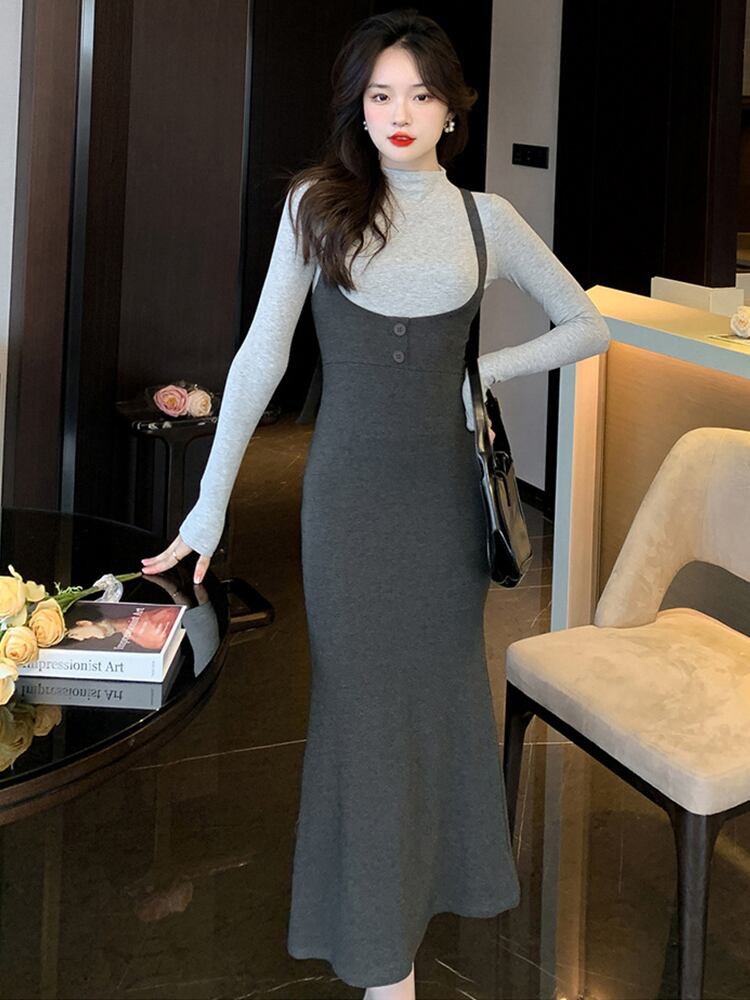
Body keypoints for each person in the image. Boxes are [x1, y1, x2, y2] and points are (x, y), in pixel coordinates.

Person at [141, 8, 610, 997]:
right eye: (381, 94)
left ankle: (410, 912)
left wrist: (484, 372)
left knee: (435, 706)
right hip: (348, 507)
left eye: (421, 94)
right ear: (359, 107)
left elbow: (587, 324)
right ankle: (381, 962)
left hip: (444, 513)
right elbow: (261, 358)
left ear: (452, 110)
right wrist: (208, 506)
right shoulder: (318, 205)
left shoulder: (487, 220)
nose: (400, 113)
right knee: (359, 713)